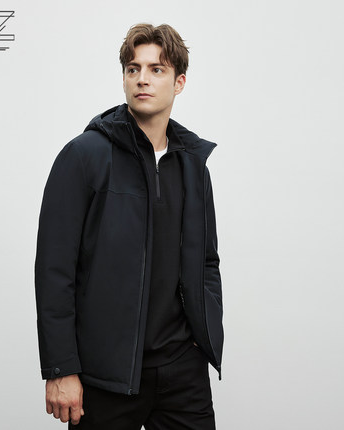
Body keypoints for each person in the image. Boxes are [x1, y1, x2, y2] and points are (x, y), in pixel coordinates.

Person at [35, 23, 224, 429]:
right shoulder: (84, 155)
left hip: (181, 368)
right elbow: (54, 270)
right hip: (105, 375)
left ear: (179, 82)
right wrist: (60, 367)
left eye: (157, 69)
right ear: (123, 77)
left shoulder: (193, 165)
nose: (142, 79)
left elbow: (207, 261)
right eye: (133, 68)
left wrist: (203, 335)